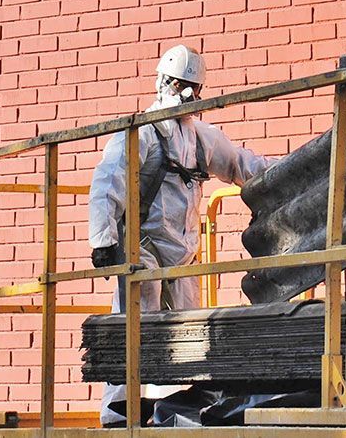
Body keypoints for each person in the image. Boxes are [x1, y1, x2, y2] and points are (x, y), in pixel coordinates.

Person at [88, 44, 272, 426]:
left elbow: (241, 163)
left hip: (182, 251)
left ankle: (175, 408)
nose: (182, 92)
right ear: (162, 83)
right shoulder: (138, 134)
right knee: (134, 326)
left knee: (186, 333)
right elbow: (108, 183)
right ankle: (117, 414)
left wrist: (288, 170)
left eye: (189, 86)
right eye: (176, 84)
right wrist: (104, 240)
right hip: (144, 249)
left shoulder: (199, 136)